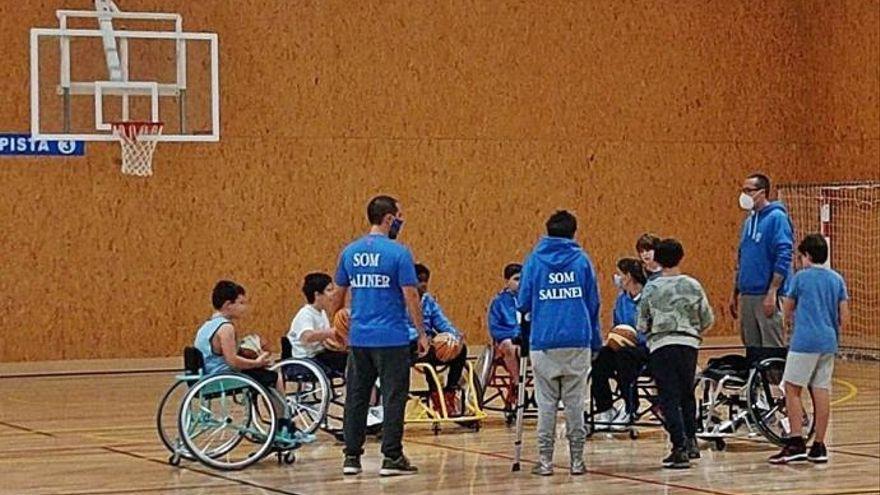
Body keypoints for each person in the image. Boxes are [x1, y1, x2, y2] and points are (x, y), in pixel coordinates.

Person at [331, 195, 429, 477]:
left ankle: (351, 457)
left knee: (357, 397)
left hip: (360, 338)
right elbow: (410, 295)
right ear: (388, 219)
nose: (401, 221)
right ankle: (392, 457)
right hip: (392, 338)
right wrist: (421, 333)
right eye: (399, 216)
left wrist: (335, 328)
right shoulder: (399, 253)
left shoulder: (350, 252)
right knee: (394, 398)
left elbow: (337, 295)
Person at [517, 210, 602, 476]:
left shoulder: (534, 261)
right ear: (573, 232)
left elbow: (522, 302)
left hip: (544, 340)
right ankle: (577, 460)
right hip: (577, 339)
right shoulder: (582, 261)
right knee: (575, 403)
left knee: (546, 404)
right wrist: (596, 340)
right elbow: (593, 303)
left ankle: (545, 461)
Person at [194, 280, 309, 447]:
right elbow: (232, 361)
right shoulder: (226, 328)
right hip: (222, 377)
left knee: (264, 375)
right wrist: (256, 362)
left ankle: (280, 422)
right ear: (228, 304)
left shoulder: (207, 326)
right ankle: (283, 424)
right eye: (241, 303)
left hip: (207, 375)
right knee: (273, 376)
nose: (245, 307)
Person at [769, 234, 849, 465]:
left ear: (807, 256)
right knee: (821, 389)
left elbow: (788, 308)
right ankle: (819, 445)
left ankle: (796, 442)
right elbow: (845, 316)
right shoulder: (836, 279)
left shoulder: (801, 278)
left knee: (792, 389)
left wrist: (787, 326)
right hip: (828, 341)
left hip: (804, 341)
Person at [638, 239, 714, 469]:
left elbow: (642, 324)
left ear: (658, 259)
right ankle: (692, 441)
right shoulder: (693, 285)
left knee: (668, 397)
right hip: (689, 344)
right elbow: (707, 319)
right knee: (687, 393)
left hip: (662, 345)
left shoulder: (652, 287)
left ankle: (678, 446)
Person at [729, 173, 794, 356]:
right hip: (748, 295)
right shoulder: (749, 221)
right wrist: (735, 293)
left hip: (766, 296)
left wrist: (772, 291)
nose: (744, 195)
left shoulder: (777, 218)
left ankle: (776, 384)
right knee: (752, 349)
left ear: (762, 193)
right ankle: (756, 384)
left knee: (771, 349)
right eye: (743, 190)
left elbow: (784, 255)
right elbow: (742, 259)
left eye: (748, 190)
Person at [591, 258, 649, 430]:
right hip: (623, 348)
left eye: (621, 275)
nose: (617, 278)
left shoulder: (649, 297)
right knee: (601, 356)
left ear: (629, 276)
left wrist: (633, 338)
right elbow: (618, 326)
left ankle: (630, 406)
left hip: (645, 348)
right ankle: (605, 408)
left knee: (625, 357)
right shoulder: (621, 300)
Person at [408, 263, 468, 416]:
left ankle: (450, 391)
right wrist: (418, 337)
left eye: (425, 280)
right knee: (428, 356)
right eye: (419, 280)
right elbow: (398, 326)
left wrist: (455, 336)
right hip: (410, 344)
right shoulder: (402, 301)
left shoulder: (429, 301)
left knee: (461, 350)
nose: (423, 284)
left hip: (429, 341)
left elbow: (442, 322)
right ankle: (435, 394)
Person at [287, 272, 348, 376]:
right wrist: (331, 332)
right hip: (306, 359)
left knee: (351, 359)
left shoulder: (322, 313)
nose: (333, 294)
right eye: (329, 290)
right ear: (317, 295)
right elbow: (306, 337)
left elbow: (326, 340)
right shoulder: (305, 314)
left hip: (320, 354)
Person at [487, 263, 522, 410]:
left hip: (525, 341)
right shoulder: (498, 302)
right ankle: (516, 384)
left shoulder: (531, 300)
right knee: (509, 346)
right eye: (516, 279)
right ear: (507, 281)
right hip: (504, 342)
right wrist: (514, 335)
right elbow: (495, 329)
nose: (520, 283)